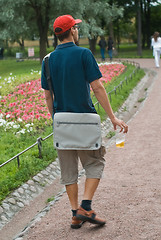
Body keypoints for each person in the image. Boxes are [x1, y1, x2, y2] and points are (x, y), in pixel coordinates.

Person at [41, 15, 128, 230]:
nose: (78, 30)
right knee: (95, 163)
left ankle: (74, 215)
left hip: (62, 122)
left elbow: (47, 96)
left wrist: (56, 120)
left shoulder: (47, 60)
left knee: (68, 171)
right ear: (72, 31)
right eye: (76, 27)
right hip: (85, 121)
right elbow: (97, 87)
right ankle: (85, 206)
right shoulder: (83, 54)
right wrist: (113, 116)